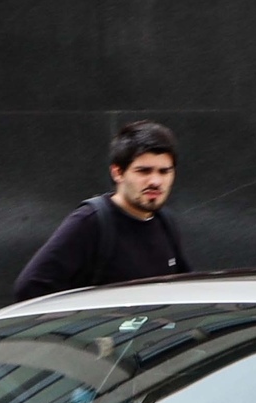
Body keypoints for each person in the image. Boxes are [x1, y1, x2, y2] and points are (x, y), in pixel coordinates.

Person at [12, 121, 191, 300]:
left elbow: (183, 289)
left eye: (164, 172)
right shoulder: (91, 221)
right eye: (144, 171)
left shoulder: (165, 221)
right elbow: (31, 286)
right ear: (117, 173)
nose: (155, 181)